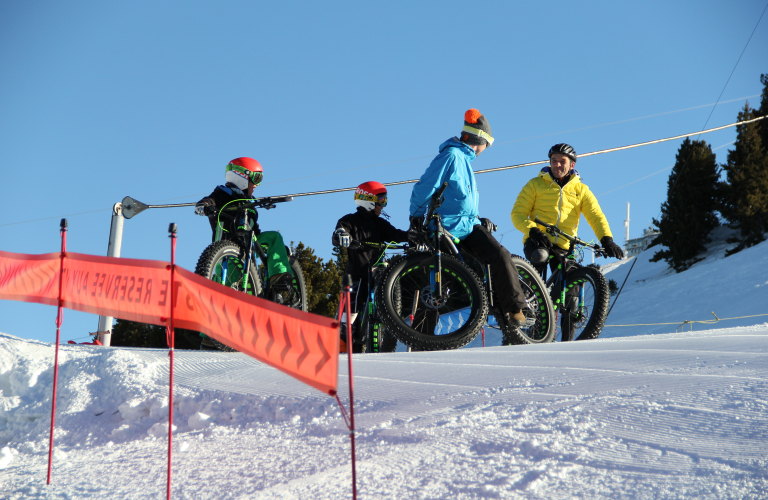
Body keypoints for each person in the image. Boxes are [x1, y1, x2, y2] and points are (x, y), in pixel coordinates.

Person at [408, 109, 528, 337]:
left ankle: (513, 310)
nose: (485, 150)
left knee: (499, 256)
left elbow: (460, 201)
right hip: (445, 228)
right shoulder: (452, 156)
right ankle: (422, 335)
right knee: (438, 285)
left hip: (467, 227)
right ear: (480, 140)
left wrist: (478, 219)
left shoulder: (464, 161)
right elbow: (424, 188)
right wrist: (416, 218)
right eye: (487, 145)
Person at [511, 143, 624, 340]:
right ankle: (529, 311)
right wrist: (534, 231)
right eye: (554, 161)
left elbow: (596, 216)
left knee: (572, 289)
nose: (557, 165)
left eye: (561, 161)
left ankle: (568, 342)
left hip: (564, 245)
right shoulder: (535, 184)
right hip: (538, 240)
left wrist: (607, 240)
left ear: (571, 165)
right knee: (540, 257)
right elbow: (518, 214)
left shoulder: (580, 190)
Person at [195, 157, 295, 349]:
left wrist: (265, 202)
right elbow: (209, 200)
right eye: (255, 178)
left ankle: (279, 275)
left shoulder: (249, 200)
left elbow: (255, 226)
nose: (257, 185)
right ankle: (210, 335)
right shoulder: (221, 194)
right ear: (241, 177)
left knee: (274, 237)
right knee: (220, 290)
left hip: (252, 241)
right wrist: (204, 205)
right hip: (228, 248)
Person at [332, 181, 409, 352]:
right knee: (353, 303)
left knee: (387, 284)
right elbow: (338, 233)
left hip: (377, 271)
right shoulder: (349, 220)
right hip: (357, 274)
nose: (383, 205)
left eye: (384, 200)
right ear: (367, 200)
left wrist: (412, 237)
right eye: (381, 200)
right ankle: (343, 340)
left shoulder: (380, 224)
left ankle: (386, 324)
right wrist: (342, 235)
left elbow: (395, 235)